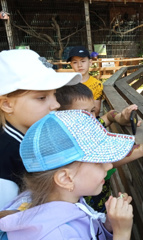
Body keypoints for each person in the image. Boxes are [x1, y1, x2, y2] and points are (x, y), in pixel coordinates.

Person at [0, 110, 135, 240]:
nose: (109, 165)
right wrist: (122, 233)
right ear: (66, 179)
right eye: (98, 162)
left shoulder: (60, 199)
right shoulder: (57, 236)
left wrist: (109, 225)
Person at [55, 83, 143, 211]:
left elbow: (108, 116)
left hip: (103, 213)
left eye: (92, 111)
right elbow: (108, 162)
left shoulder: (90, 126)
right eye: (83, 114)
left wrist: (120, 117)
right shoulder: (67, 150)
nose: (91, 118)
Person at [0, 49, 82, 209]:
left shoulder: (28, 138)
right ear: (7, 105)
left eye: (54, 94)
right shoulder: (7, 155)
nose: (56, 105)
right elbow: (5, 217)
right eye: (42, 98)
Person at [67, 46, 103, 116]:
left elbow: (96, 110)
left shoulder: (96, 85)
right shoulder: (67, 84)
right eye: (75, 62)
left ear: (90, 62)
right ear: (71, 65)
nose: (79, 65)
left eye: (83, 61)